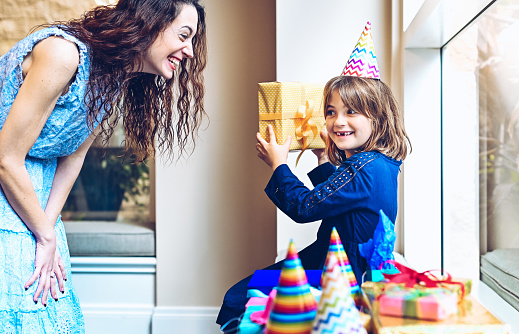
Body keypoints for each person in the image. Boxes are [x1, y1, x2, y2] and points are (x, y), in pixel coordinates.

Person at [0, 0, 207, 331]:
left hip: (33, 206)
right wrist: (44, 234)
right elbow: (6, 158)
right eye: (184, 35)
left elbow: (73, 157)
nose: (190, 51)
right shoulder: (63, 54)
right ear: (150, 22)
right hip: (10, 188)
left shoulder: (112, 80)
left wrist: (47, 230)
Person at [217, 23, 411, 331]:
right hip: (346, 266)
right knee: (249, 289)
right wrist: (322, 159)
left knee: (239, 297)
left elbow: (305, 208)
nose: (337, 122)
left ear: (379, 117)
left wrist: (279, 165)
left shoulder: (362, 167)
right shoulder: (380, 163)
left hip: (339, 274)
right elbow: (342, 201)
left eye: (351, 112)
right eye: (331, 112)